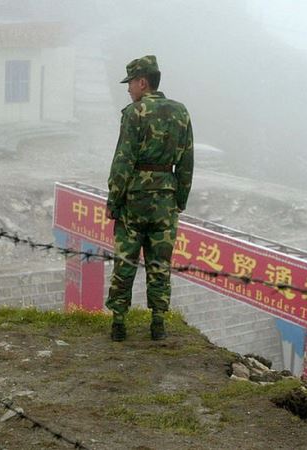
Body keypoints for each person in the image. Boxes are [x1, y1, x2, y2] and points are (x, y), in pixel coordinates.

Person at [105, 55, 194, 341]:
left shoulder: (134, 113)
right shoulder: (181, 112)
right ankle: (158, 322)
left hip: (135, 200)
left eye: (130, 82)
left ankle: (119, 323)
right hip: (166, 201)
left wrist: (113, 201)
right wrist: (179, 200)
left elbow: (123, 162)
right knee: (159, 263)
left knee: (125, 261)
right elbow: (187, 163)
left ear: (143, 82)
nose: (129, 89)